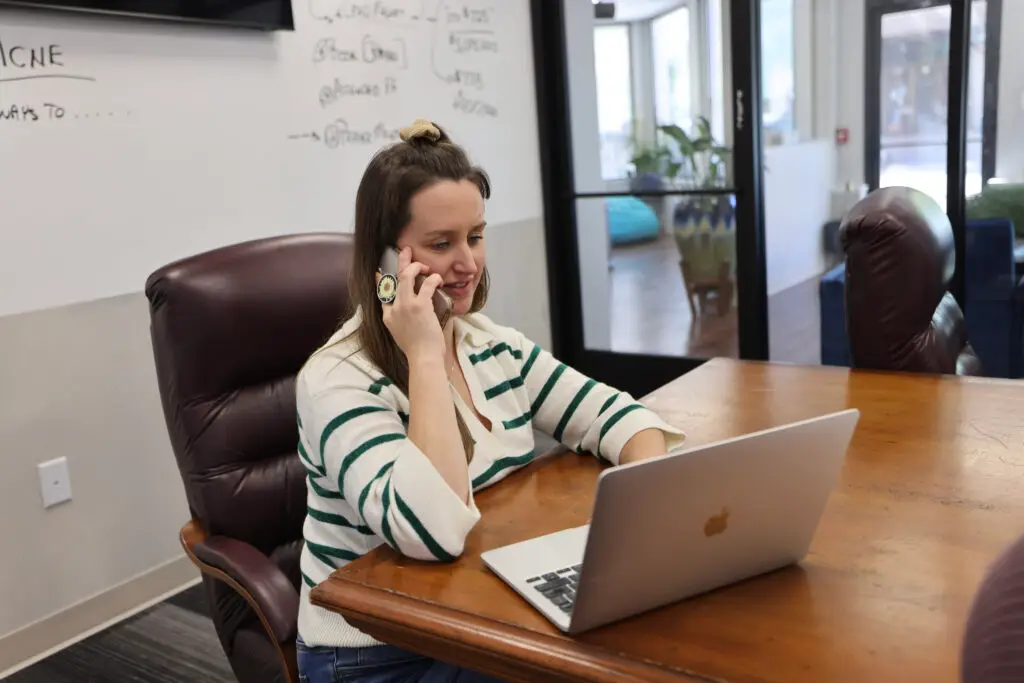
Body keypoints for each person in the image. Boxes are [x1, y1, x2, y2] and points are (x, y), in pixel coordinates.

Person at [295, 118, 686, 682]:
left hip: (477, 610)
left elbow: (615, 414)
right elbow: (431, 533)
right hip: (375, 652)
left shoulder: (487, 342)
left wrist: (649, 504)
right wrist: (425, 355)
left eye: (475, 236)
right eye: (440, 243)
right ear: (385, 263)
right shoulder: (336, 381)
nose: (468, 263)